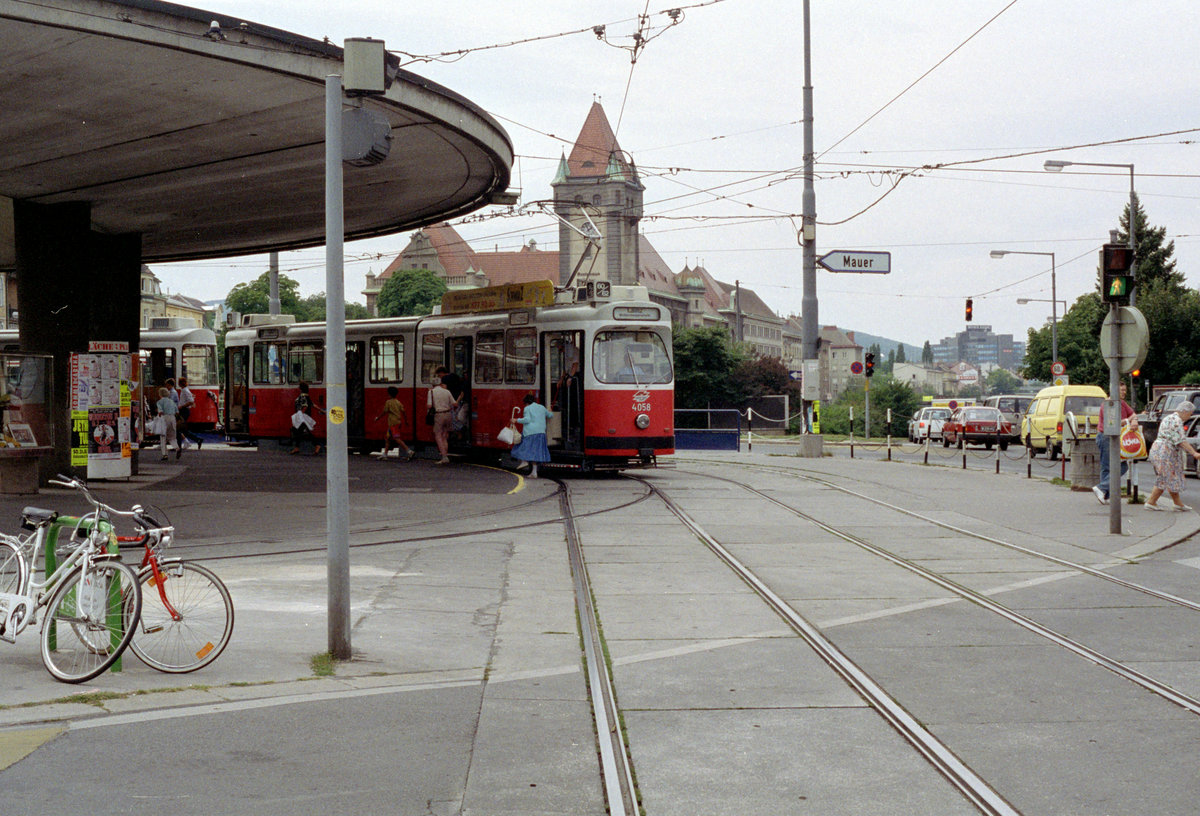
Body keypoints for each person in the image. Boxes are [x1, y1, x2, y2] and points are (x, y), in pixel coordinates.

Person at [1145, 401, 1200, 511]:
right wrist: (1194, 453)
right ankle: (1151, 502)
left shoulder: (1168, 418)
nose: (1189, 416)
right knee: (1165, 477)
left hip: (1159, 449)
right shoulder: (1176, 421)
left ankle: (1177, 503)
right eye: (1190, 414)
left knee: (1171, 477)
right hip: (1165, 451)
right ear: (1184, 411)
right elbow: (1180, 440)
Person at [1093, 382, 1136, 505]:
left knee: (1118, 466)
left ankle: (1103, 492)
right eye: (1122, 390)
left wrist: (1134, 421)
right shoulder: (1109, 404)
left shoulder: (1122, 403)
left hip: (1116, 437)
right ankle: (1102, 490)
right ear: (1114, 391)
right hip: (1106, 437)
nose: (1124, 392)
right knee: (1109, 466)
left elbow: (1133, 414)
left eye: (1125, 390)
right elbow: (1114, 423)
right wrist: (1129, 420)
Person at [511, 394, 552, 478]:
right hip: (541, 433)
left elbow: (527, 420)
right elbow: (550, 415)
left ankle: (524, 461)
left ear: (526, 402)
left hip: (530, 433)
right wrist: (550, 411)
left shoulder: (527, 408)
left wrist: (516, 420)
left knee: (520, 447)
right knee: (535, 453)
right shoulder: (542, 407)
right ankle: (534, 472)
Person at [374, 386, 413, 461]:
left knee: (396, 438)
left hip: (392, 423)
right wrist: (406, 421)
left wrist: (378, 418)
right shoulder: (398, 402)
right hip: (397, 422)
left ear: (389, 394)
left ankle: (409, 451)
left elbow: (384, 412)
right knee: (387, 438)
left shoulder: (388, 402)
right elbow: (403, 411)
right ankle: (385, 454)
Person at [428, 374, 458, 464]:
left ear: (432, 384)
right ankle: (445, 454)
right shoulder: (447, 391)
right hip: (448, 414)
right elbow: (455, 404)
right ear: (440, 383)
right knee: (445, 436)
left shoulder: (431, 392)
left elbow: (429, 405)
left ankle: (444, 456)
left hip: (439, 414)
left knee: (438, 435)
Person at [291, 381, 324, 455]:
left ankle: (316, 445)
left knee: (298, 430)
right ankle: (297, 447)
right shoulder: (307, 396)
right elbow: (313, 405)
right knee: (300, 431)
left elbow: (305, 406)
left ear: (301, 389)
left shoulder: (302, 396)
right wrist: (321, 410)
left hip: (302, 416)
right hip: (305, 416)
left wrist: (300, 415)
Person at [555, 361, 582, 443]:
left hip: (573, 381)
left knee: (573, 405)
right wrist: (561, 379)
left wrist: (570, 377)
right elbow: (565, 370)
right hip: (568, 378)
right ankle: (568, 427)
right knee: (567, 405)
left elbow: (575, 364)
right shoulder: (566, 357)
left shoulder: (573, 354)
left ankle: (574, 427)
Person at [176, 376, 204, 450]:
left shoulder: (185, 391)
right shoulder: (184, 390)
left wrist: (182, 406)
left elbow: (191, 401)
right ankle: (197, 439)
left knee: (179, 428)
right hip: (183, 410)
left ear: (180, 383)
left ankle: (178, 446)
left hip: (184, 410)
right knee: (182, 429)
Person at [155, 386, 181, 461]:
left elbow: (160, 412)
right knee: (172, 436)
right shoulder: (172, 402)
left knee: (163, 437)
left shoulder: (159, 402)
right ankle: (177, 448)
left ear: (160, 394)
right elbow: (177, 412)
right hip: (172, 418)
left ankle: (165, 455)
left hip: (164, 418)